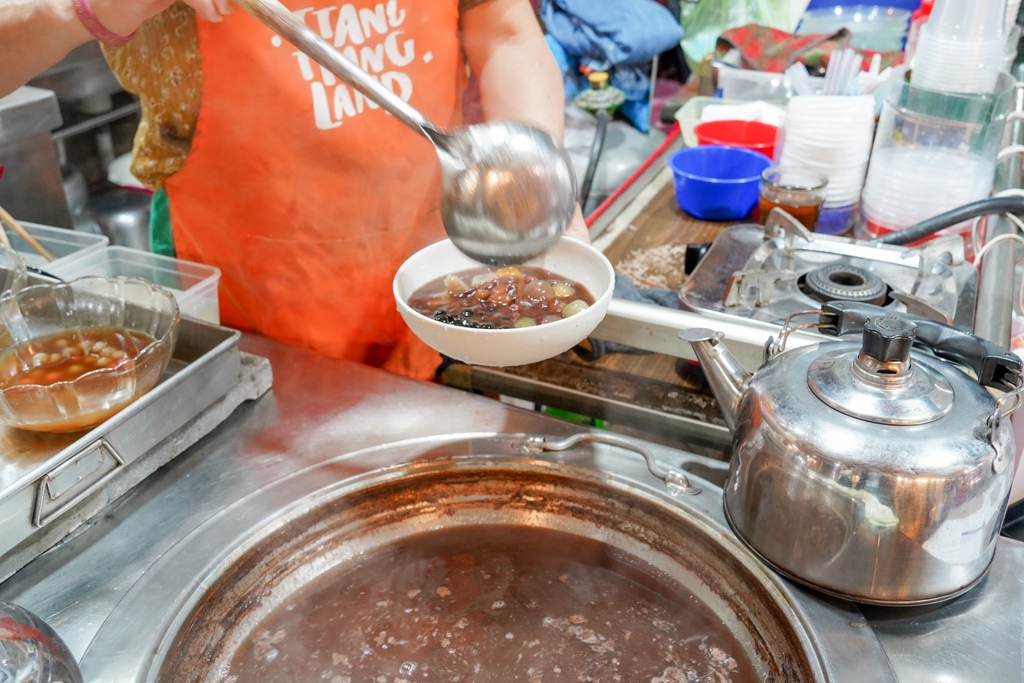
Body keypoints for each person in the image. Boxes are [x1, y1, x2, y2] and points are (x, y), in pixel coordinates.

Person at [0, 0, 587, 380]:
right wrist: (78, 11)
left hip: (429, 275)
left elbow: (507, 34)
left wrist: (531, 180)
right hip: (244, 298)